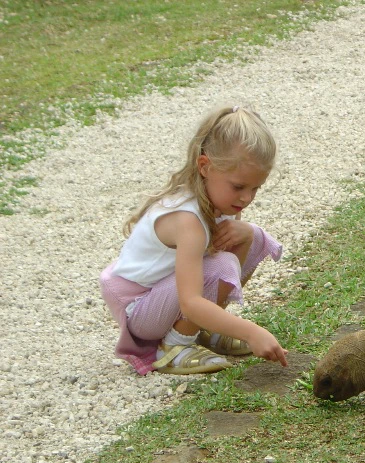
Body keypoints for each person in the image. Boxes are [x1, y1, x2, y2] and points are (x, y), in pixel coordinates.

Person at [100, 104, 288, 375]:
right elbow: (191, 300)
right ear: (205, 167)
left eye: (255, 188)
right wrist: (251, 332)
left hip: (163, 296)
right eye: (238, 186)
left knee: (252, 235)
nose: (246, 198)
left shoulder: (218, 201)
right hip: (139, 307)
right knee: (222, 265)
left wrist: (246, 234)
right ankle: (175, 346)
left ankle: (203, 328)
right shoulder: (188, 220)